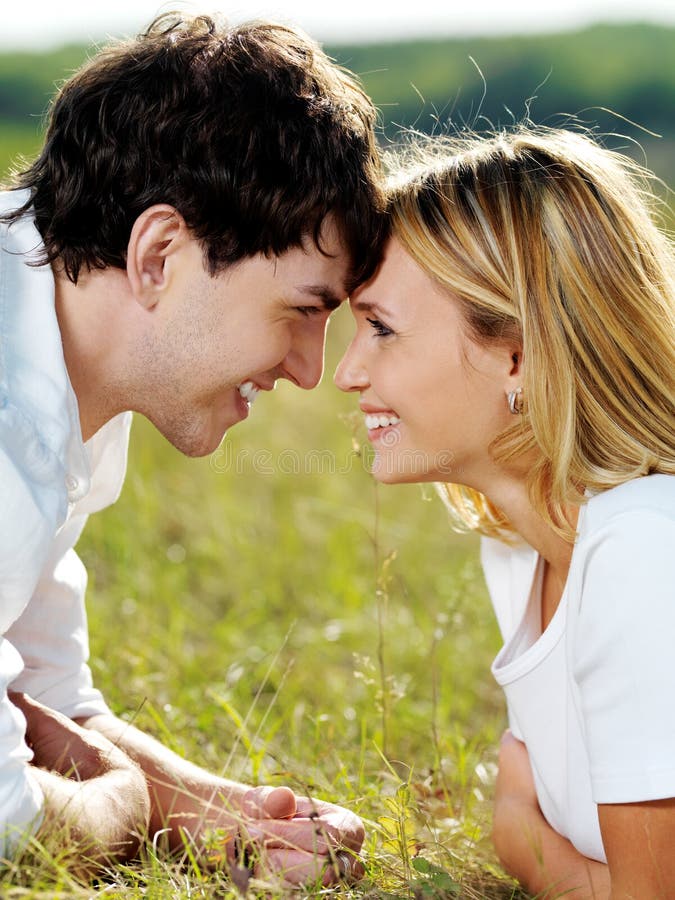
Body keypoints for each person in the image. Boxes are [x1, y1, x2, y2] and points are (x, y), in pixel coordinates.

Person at [0, 10, 384, 884]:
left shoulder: (64, 381)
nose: (307, 371)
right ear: (160, 254)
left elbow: (43, 699)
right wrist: (126, 808)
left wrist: (223, 815)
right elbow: (6, 815)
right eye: (300, 311)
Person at [335, 127, 675, 897]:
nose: (347, 372)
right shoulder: (519, 550)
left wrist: (528, 850)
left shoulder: (645, 551)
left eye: (381, 328)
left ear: (516, 354)